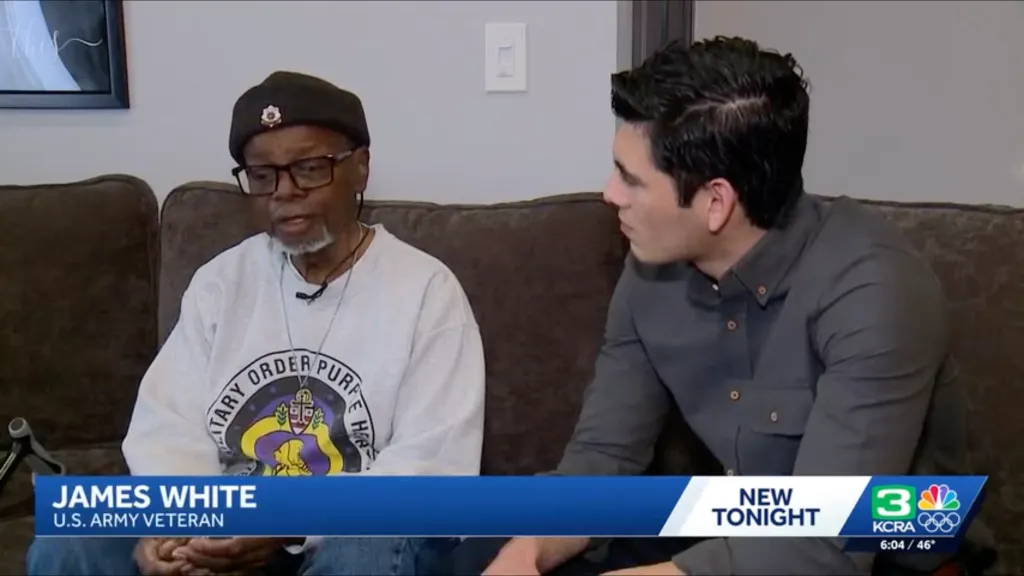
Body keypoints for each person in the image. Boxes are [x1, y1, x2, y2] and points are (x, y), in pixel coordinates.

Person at [438, 36, 981, 576]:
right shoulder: (650, 269)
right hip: (733, 531)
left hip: (878, 554)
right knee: (488, 551)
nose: (609, 194)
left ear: (715, 202)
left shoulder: (876, 290)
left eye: (631, 179)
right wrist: (527, 552)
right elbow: (603, 460)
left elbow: (823, 547)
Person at [26, 71, 486, 576]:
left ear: (360, 168)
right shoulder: (222, 282)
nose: (283, 193)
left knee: (367, 545)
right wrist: (179, 531)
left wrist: (280, 524)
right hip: (222, 526)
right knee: (70, 534)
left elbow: (429, 468)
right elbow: (167, 425)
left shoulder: (425, 291)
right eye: (262, 176)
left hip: (345, 537)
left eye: (309, 169)